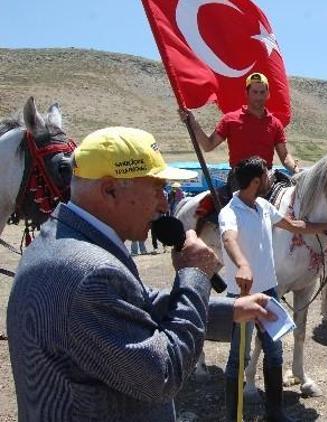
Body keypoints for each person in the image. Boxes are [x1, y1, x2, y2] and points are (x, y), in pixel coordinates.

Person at [7, 127, 274, 421]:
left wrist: (231, 309)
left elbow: (135, 302)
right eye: (157, 188)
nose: (164, 203)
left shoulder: (62, 238)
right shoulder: (90, 272)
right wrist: (195, 275)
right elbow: (162, 374)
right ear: (109, 190)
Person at [219, 157, 327, 421]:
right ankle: (233, 416)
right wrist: (242, 263)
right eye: (267, 174)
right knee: (238, 357)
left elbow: (296, 226)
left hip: (268, 293)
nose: (271, 178)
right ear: (256, 181)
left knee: (275, 353)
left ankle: (275, 412)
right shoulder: (229, 212)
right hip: (242, 296)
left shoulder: (264, 206)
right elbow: (228, 238)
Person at [178, 72, 300, 193]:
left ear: (268, 94)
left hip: (265, 178)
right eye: (255, 92)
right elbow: (208, 145)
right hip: (239, 179)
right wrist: (192, 122)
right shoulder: (230, 119)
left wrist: (296, 171)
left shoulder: (275, 123)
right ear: (247, 93)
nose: (258, 97)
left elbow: (284, 157)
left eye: (262, 92)